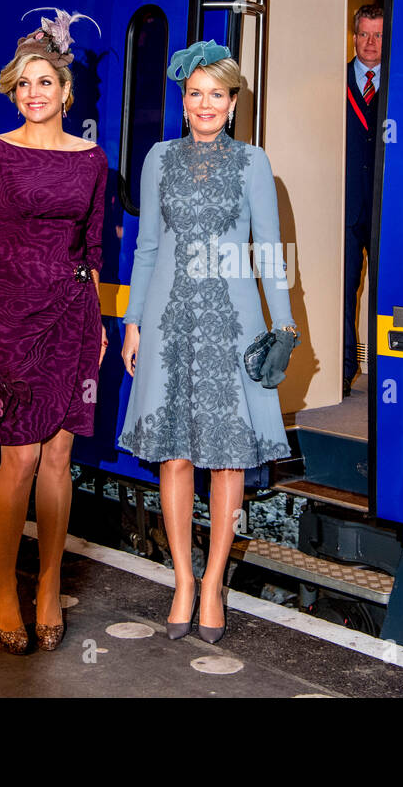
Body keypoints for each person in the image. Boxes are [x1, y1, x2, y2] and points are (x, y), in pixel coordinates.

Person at [119, 40, 298, 644]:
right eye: (194, 94)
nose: (204, 104)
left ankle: (216, 581)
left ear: (231, 101)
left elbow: (270, 254)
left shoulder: (252, 163)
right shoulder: (158, 158)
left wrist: (285, 326)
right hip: (168, 323)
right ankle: (182, 581)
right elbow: (146, 248)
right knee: (173, 455)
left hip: (233, 324)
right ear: (183, 99)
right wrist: (132, 321)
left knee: (226, 459)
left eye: (215, 95)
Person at [0, 9, 106, 655]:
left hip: (72, 316)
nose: (35, 93)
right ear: (14, 91)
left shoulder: (93, 160)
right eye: (24, 84)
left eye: (45, 82)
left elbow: (94, 249)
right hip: (12, 319)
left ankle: (49, 584)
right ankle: (1, 584)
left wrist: (98, 324)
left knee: (59, 457)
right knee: (17, 456)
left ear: (65, 92)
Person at [344, 3, 383, 397]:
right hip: (345, 205)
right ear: (354, 37)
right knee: (344, 289)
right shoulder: (334, 81)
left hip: (391, 208)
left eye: (378, 35)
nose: (370, 43)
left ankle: (387, 367)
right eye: (364, 34)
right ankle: (344, 369)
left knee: (387, 290)